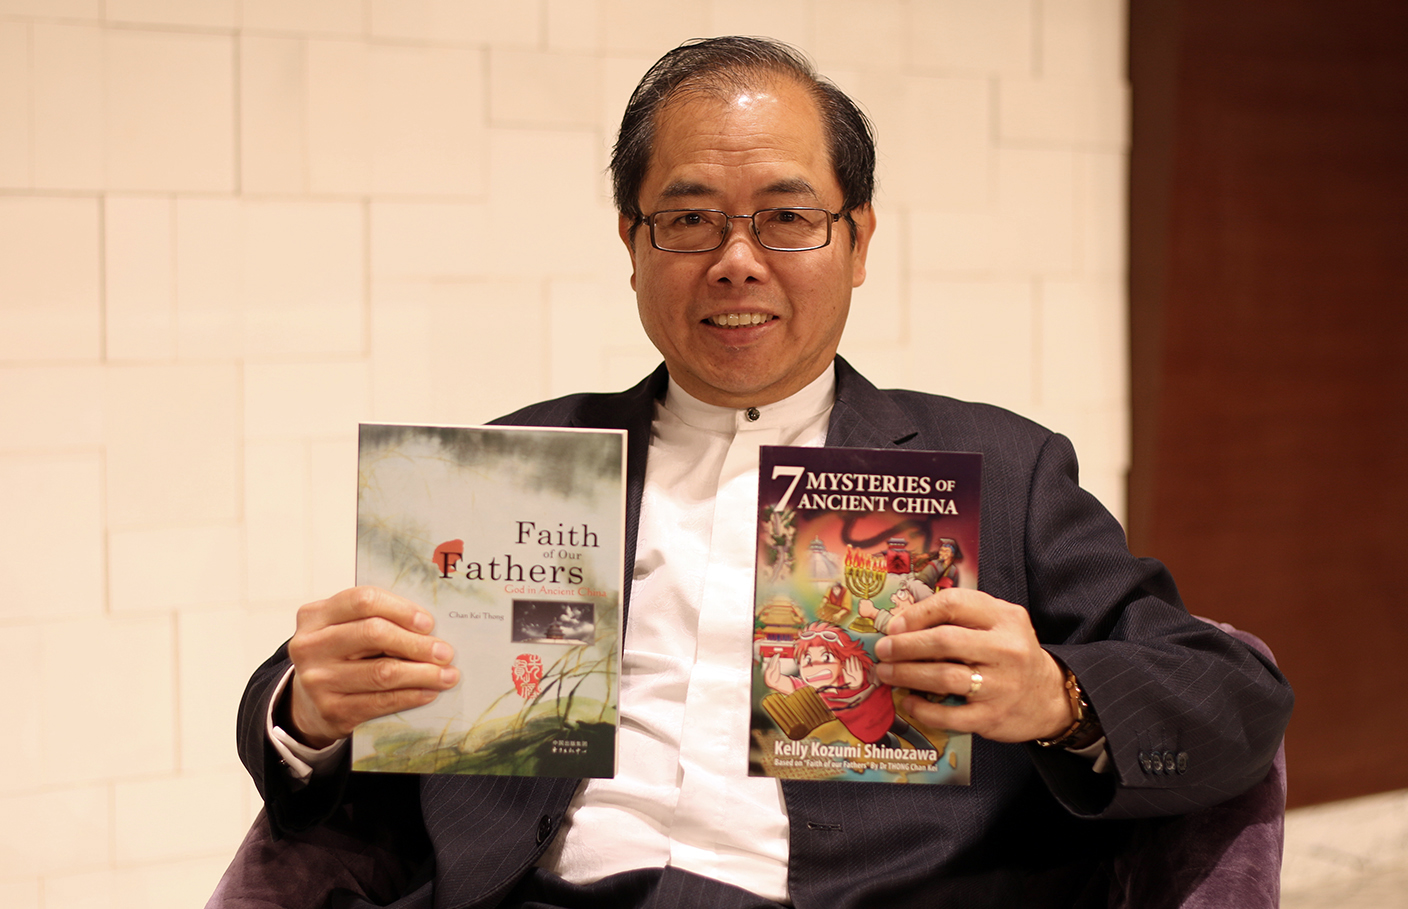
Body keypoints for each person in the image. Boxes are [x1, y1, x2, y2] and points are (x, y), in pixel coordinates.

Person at [237, 36, 1293, 908]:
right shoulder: (522, 464)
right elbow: (340, 703)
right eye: (689, 219)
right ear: (632, 244)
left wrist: (1057, 697)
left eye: (786, 218)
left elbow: (1233, 697)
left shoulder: (1002, 469)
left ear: (857, 240)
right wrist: (308, 712)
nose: (736, 260)